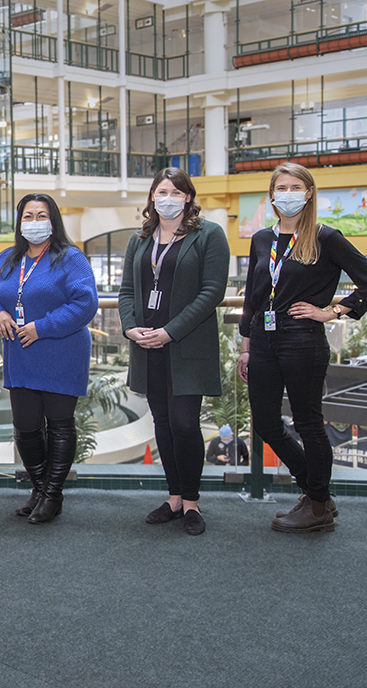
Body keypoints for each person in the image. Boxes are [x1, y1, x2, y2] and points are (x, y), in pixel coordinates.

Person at [237, 162, 367, 533]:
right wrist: (245, 346)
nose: (287, 193)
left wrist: (331, 311)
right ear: (271, 195)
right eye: (281, 187)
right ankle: (316, 491)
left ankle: (317, 506)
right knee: (267, 423)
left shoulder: (325, 237)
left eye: (295, 187)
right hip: (263, 339)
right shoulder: (261, 240)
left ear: (309, 193)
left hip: (302, 338)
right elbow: (253, 299)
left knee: (307, 423)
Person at [0, 193, 98, 524]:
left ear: (53, 221)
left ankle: (52, 495)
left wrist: (41, 327)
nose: (34, 222)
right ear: (19, 222)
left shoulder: (71, 258)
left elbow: (84, 304)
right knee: (26, 427)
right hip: (21, 354)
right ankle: (41, 489)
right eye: (27, 216)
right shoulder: (9, 259)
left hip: (62, 351)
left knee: (59, 425)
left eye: (41, 215)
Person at [118, 167, 230, 536]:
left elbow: (211, 292)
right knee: (162, 425)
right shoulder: (141, 238)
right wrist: (130, 326)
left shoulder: (209, 235)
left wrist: (170, 332)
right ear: (152, 196)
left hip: (185, 344)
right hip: (147, 345)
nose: (167, 197)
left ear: (187, 197)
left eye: (175, 191)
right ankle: (175, 497)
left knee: (184, 423)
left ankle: (193, 501)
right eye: (161, 191)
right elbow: (126, 292)